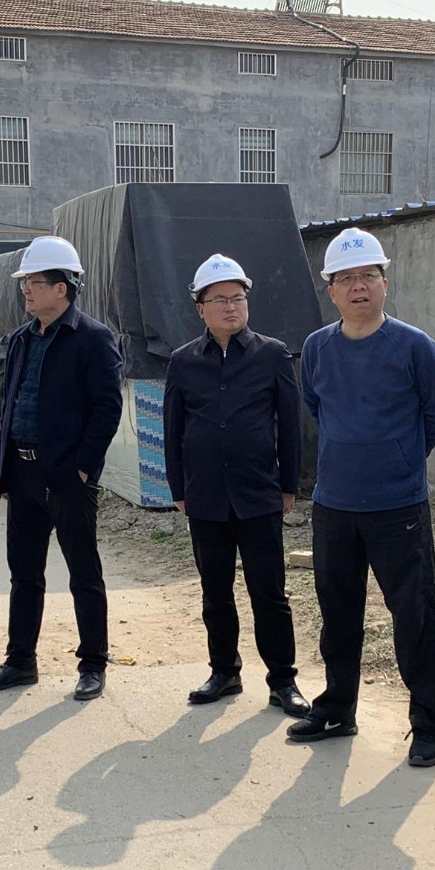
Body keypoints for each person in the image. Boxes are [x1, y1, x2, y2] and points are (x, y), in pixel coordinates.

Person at [291, 228, 435, 768]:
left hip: (397, 507)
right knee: (338, 615)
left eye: (367, 276)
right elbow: (317, 406)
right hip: (335, 505)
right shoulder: (317, 348)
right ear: (331, 291)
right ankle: (338, 710)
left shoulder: (414, 346)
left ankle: (427, 726)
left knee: (415, 617)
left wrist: (400, 459)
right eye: (346, 279)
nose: (357, 286)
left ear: (385, 283)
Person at [0, 236, 123, 701]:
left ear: (63, 288)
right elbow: (12, 403)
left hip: (66, 477)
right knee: (24, 573)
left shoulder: (93, 339)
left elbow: (107, 409)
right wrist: (5, 465)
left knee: (83, 573)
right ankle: (20, 660)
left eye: (34, 282)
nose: (25, 289)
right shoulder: (20, 339)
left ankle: (93, 663)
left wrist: (82, 468)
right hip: (22, 474)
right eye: (24, 282)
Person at [163, 253, 307, 716]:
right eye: (220, 299)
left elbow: (290, 425)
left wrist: (288, 485)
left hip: (258, 493)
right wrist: (178, 489)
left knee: (269, 591)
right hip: (205, 495)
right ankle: (224, 671)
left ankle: (283, 680)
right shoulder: (184, 361)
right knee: (215, 591)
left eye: (238, 297)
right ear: (200, 308)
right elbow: (173, 428)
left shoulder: (272, 354)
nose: (231, 306)